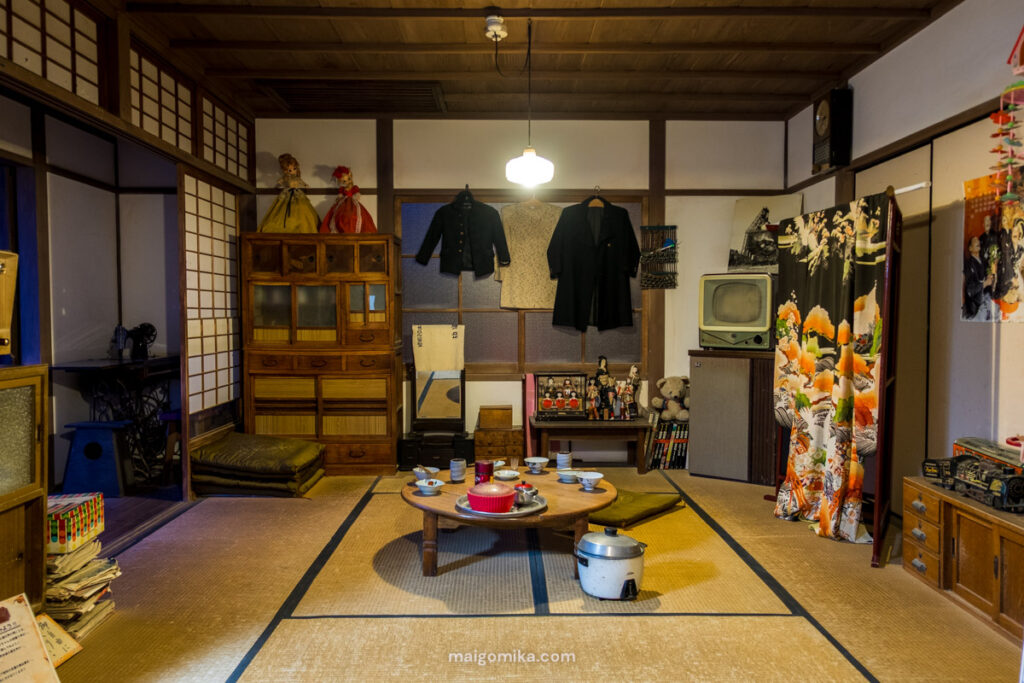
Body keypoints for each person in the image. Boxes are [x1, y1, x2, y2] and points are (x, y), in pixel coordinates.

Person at [258, 153, 320, 233]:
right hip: (287, 193)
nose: (293, 171)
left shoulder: (297, 178)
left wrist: (305, 185)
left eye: (294, 168)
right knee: (282, 211)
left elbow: (301, 182)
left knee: (302, 210)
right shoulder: (286, 177)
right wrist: (276, 186)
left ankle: (301, 227)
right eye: (290, 170)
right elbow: (280, 182)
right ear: (285, 171)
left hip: (298, 194)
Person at [320, 165, 377, 233]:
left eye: (348, 179)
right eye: (344, 181)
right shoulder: (342, 189)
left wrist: (355, 196)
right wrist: (340, 196)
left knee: (356, 215)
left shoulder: (354, 187)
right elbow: (340, 194)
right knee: (339, 215)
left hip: (353, 202)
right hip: (343, 202)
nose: (347, 182)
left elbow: (356, 193)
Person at [963, 235, 993, 321]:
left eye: (978, 240)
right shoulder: (968, 265)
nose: (977, 242)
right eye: (974, 241)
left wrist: (990, 276)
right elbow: (970, 291)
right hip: (976, 306)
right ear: (970, 248)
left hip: (986, 298)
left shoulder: (983, 260)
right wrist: (985, 283)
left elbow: (987, 276)